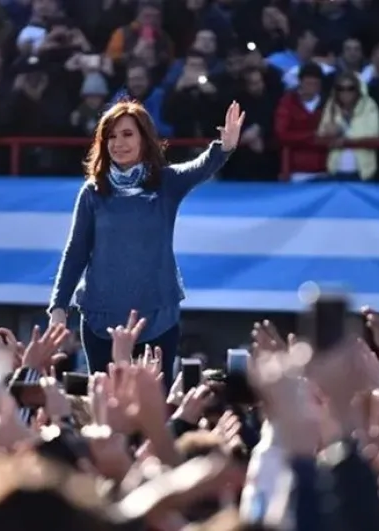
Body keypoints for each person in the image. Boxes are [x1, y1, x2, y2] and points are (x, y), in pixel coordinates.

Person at [47, 99, 244, 382]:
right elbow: (76, 251)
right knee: (107, 409)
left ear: (144, 138)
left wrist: (224, 146)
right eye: (111, 136)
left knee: (152, 412)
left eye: (127, 134)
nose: (118, 143)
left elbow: (199, 167)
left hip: (157, 320)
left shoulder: (166, 182)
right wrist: (59, 307)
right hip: (101, 322)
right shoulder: (92, 192)